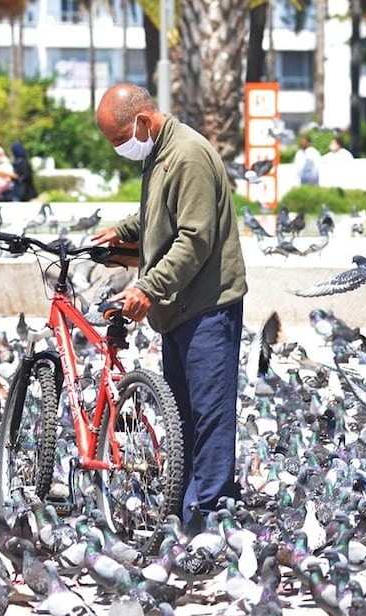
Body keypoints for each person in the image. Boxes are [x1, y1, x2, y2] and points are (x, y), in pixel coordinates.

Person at [89, 83, 248, 536]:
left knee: (209, 412)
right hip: (179, 308)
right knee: (181, 415)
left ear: (143, 121)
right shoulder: (160, 155)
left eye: (120, 138)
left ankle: (212, 516)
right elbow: (159, 215)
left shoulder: (188, 155)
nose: (120, 148)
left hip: (206, 306)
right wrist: (121, 230)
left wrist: (149, 288)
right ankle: (184, 509)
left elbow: (194, 237)